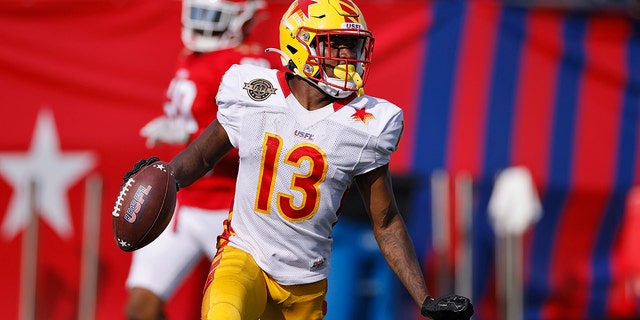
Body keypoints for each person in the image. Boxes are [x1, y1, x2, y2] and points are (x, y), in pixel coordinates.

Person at [123, 0, 474, 319]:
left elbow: (386, 221)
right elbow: (201, 157)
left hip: (306, 281)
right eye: (334, 44)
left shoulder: (367, 124)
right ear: (299, 43)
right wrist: (164, 174)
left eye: (352, 45)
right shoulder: (253, 93)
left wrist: (424, 299)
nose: (346, 55)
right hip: (243, 254)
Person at [124, 0, 274, 319]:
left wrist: (193, 140)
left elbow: (263, 140)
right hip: (184, 202)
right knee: (140, 308)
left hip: (232, 210)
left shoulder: (248, 65)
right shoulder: (193, 56)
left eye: (212, 16)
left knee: (246, 312)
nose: (201, 23)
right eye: (198, 13)